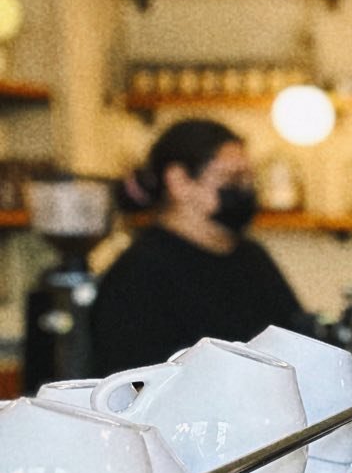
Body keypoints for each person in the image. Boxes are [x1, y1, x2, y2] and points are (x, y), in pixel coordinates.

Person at [91, 119, 307, 374]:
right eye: (231, 177)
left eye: (248, 177)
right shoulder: (138, 274)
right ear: (179, 181)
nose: (245, 189)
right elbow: (135, 380)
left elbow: (297, 339)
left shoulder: (252, 256)